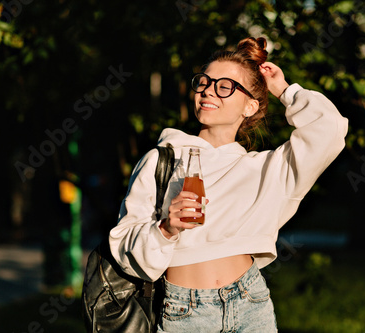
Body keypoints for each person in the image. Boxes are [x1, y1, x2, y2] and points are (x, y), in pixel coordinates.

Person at [109, 36, 348, 332]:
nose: (209, 90)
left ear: (250, 106)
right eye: (205, 82)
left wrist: (284, 90)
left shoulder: (267, 169)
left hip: (252, 306)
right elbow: (124, 250)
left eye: (225, 86)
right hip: (184, 313)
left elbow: (330, 130)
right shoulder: (163, 160)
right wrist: (165, 229)